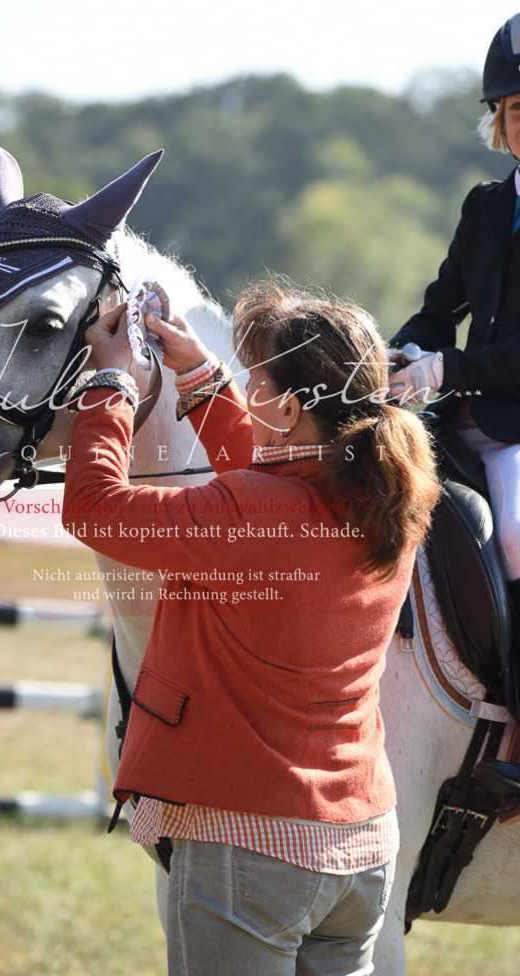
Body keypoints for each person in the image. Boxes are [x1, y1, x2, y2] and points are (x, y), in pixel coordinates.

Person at [62, 280, 438, 975]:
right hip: (361, 844)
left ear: (290, 408)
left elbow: (93, 507)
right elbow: (272, 478)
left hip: (251, 848)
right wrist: (200, 374)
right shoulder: (389, 494)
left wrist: (111, 380)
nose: (244, 387)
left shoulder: (250, 509)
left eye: (252, 381)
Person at [389, 13, 520, 787]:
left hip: (516, 433)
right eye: (517, 109)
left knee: (514, 542)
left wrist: (450, 369)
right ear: (499, 122)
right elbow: (442, 306)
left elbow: (470, 355)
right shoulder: (484, 206)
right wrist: (404, 349)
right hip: (459, 422)